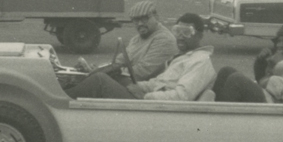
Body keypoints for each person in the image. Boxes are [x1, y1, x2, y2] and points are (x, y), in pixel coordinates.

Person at [65, 13, 216, 101]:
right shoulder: (184, 57)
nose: (181, 37)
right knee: (111, 76)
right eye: (177, 31)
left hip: (153, 108)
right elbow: (159, 82)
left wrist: (146, 95)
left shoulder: (200, 62)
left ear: (200, 35)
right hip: (151, 99)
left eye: (187, 32)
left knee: (100, 81)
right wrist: (139, 87)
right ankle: (69, 89)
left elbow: (182, 96)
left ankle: (62, 100)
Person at [75, 0, 178, 86]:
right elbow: (119, 61)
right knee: (78, 78)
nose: (140, 24)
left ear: (156, 17)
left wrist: (105, 73)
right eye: (136, 20)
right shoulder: (137, 39)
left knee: (94, 82)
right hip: (130, 83)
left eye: (144, 19)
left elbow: (141, 72)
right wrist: (99, 68)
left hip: (144, 89)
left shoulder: (164, 39)